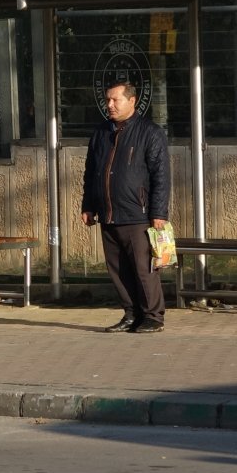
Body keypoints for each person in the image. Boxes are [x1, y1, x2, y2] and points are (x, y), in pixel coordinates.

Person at [81, 81, 170, 333]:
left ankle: (153, 316)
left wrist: (158, 213)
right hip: (108, 213)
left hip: (138, 214)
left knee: (144, 269)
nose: (109, 105)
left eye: (115, 100)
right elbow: (91, 172)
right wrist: (88, 206)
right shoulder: (101, 133)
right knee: (118, 270)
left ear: (132, 101)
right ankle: (131, 314)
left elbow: (160, 176)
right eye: (107, 100)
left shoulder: (150, 132)